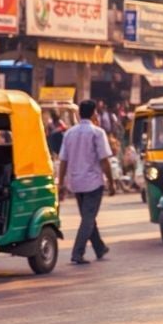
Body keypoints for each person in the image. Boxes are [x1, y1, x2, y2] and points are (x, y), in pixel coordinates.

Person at [57, 100, 116, 264]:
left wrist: (60, 183)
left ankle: (99, 247)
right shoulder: (97, 132)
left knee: (87, 216)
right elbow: (104, 160)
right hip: (93, 182)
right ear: (93, 113)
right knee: (88, 218)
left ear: (78, 114)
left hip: (76, 182)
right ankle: (78, 252)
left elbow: (63, 160)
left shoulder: (69, 133)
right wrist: (111, 182)